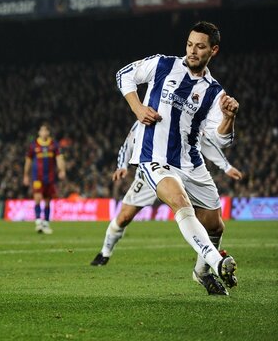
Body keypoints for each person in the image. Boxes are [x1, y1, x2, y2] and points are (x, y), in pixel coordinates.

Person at [115, 21, 239, 294]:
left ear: (213, 50)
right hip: (154, 156)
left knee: (215, 224)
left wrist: (229, 118)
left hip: (191, 162)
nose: (193, 51)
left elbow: (221, 140)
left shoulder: (214, 92)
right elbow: (123, 74)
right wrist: (137, 108)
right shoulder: (162, 65)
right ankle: (216, 261)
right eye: (189, 44)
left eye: (200, 47)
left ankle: (201, 271)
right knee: (180, 203)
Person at [91, 121, 243, 295]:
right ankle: (105, 252)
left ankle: (203, 272)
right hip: (152, 170)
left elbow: (205, 141)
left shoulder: (188, 114)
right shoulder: (149, 113)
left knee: (213, 225)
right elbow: (129, 141)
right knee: (124, 217)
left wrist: (226, 166)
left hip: (184, 170)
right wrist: (122, 165)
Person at [22, 123, 66, 234]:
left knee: (47, 200)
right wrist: (26, 175)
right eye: (42, 131)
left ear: (48, 132)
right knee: (37, 197)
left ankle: (45, 223)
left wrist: (62, 170)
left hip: (50, 177)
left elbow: (59, 159)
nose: (44, 133)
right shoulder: (34, 145)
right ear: (39, 132)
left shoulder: (54, 145)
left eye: (46, 131)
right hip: (37, 177)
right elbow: (28, 161)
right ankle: (38, 221)